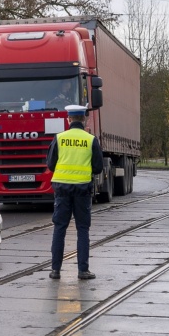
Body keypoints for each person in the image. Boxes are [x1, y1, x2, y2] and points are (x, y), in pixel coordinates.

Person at [45, 104, 104, 280]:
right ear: (84, 120)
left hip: (62, 189)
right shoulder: (91, 140)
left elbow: (50, 164)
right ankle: (82, 270)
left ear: (68, 120)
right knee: (83, 229)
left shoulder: (59, 138)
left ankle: (55, 270)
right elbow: (99, 167)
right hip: (82, 189)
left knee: (60, 228)